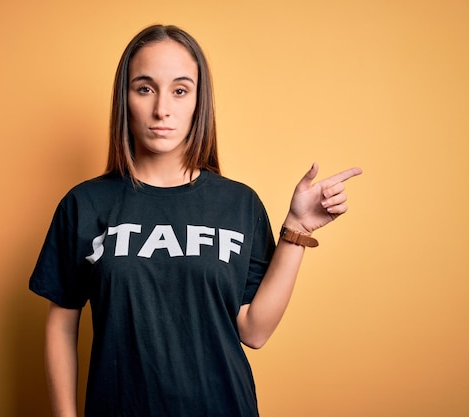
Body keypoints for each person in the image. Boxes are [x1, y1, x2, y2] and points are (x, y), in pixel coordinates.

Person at [29, 24, 362, 417]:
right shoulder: (84, 204)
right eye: (145, 88)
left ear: (199, 102)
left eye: (180, 90)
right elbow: (62, 326)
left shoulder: (239, 204)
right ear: (125, 98)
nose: (162, 109)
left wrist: (298, 229)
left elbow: (254, 331)